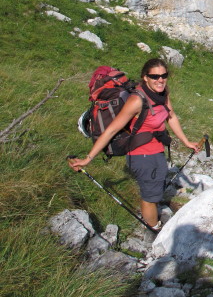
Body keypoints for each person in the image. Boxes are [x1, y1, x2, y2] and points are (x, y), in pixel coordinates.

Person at [69, 58, 200, 230]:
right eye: (155, 76)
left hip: (156, 148)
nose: (160, 80)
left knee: (155, 186)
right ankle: (154, 228)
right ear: (145, 77)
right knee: (150, 198)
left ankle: (153, 213)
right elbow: (111, 130)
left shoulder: (162, 92)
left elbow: (171, 116)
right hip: (141, 154)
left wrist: (185, 141)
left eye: (164, 75)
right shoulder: (137, 100)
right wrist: (88, 159)